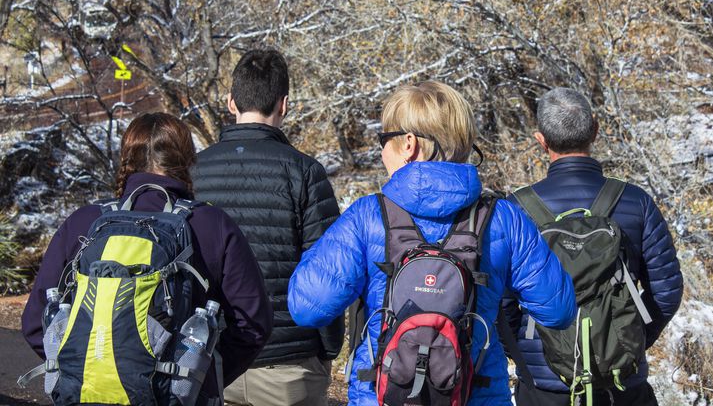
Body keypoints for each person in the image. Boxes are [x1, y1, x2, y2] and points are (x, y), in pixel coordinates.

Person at [287, 81, 577, 406]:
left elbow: (306, 307)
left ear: (408, 144)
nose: (381, 150)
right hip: (476, 395)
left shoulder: (367, 217)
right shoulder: (504, 218)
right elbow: (559, 311)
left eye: (384, 139)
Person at [21, 112, 273, 403]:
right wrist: (192, 376)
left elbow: (36, 321)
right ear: (186, 160)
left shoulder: (84, 223)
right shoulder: (212, 224)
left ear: (126, 158)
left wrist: (83, 370)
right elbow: (253, 324)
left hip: (86, 395)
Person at [507, 87, 684, 405]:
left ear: (541, 140)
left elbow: (501, 303)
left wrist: (524, 354)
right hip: (622, 382)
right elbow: (666, 292)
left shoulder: (515, 209)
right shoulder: (636, 202)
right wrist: (629, 341)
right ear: (596, 129)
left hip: (543, 386)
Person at [192, 49, 343, 406]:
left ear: (231, 102)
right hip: (290, 363)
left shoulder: (193, 171)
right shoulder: (305, 173)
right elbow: (326, 273)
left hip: (210, 359)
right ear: (284, 104)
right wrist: (329, 347)